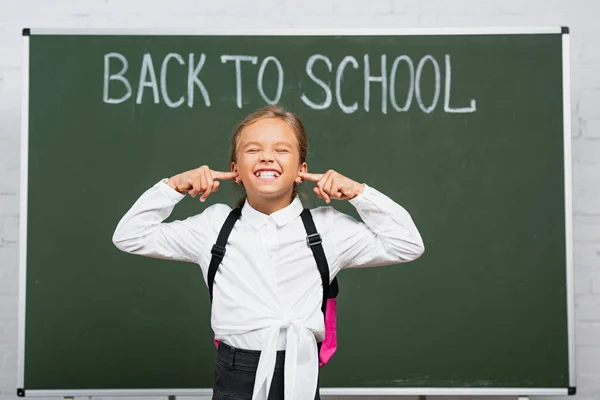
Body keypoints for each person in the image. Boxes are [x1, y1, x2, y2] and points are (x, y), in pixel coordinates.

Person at [112, 105, 425, 400]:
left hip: (299, 371)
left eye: (281, 149)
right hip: (237, 373)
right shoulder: (213, 226)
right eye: (253, 149)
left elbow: (407, 244)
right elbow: (129, 236)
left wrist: (359, 193)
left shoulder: (327, 229)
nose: (266, 157)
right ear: (235, 170)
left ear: (301, 169)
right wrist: (173, 187)